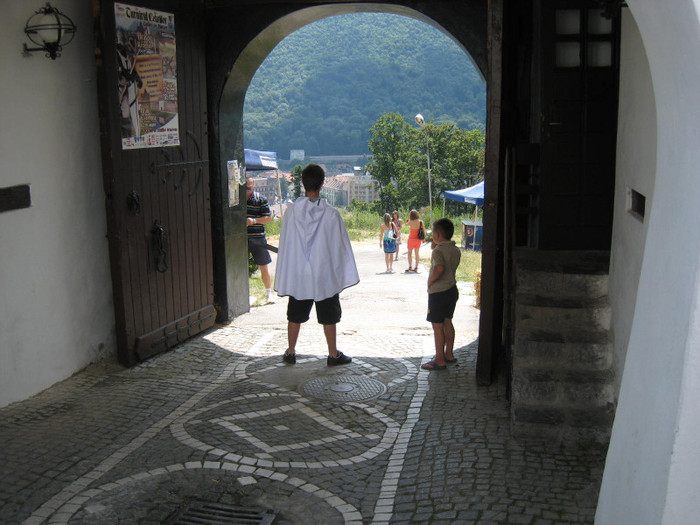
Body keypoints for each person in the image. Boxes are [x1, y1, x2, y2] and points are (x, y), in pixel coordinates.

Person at [274, 164, 360, 366]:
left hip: (299, 275)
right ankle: (332, 354)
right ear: (322, 184)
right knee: (329, 315)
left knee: (295, 313)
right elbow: (340, 247)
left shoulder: (291, 213)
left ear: (302, 183)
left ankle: (291, 351)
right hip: (323, 274)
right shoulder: (331, 214)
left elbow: (287, 244)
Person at [421, 218, 461, 371]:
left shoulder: (438, 251)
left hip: (438, 293)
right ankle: (449, 354)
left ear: (437, 234)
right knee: (447, 321)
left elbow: (439, 268)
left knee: (437, 326)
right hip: (452, 290)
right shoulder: (455, 249)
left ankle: (439, 360)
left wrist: (431, 280)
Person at [246, 177, 274, 303]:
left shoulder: (261, 199)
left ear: (254, 185)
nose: (248, 187)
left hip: (258, 238)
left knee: (263, 267)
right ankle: (244, 296)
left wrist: (254, 221)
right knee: (240, 269)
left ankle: (269, 294)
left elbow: (268, 218)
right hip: (241, 239)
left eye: (250, 184)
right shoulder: (236, 200)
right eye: (246, 184)